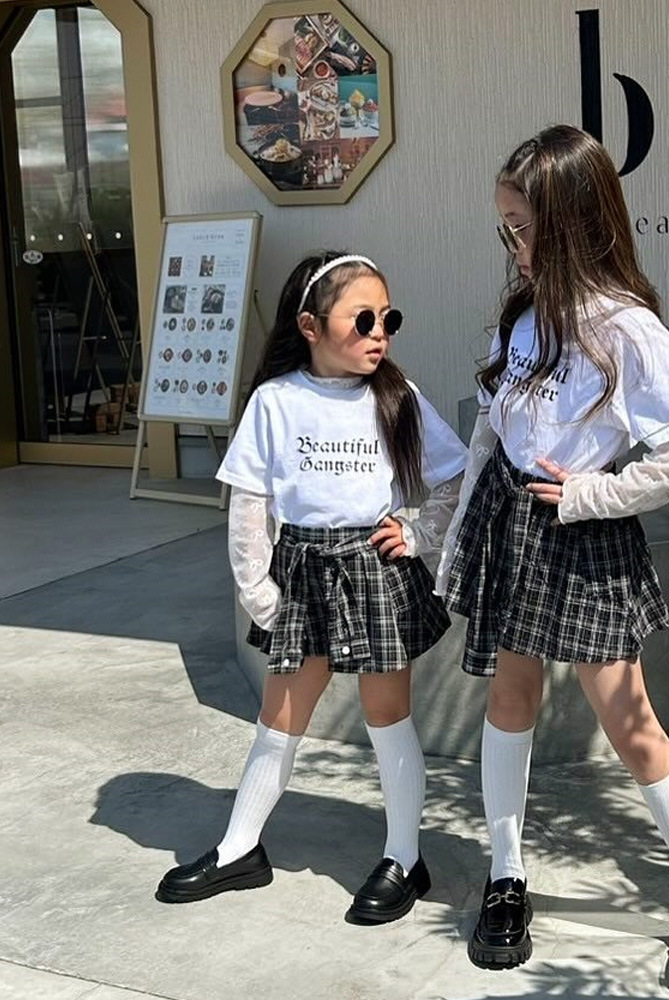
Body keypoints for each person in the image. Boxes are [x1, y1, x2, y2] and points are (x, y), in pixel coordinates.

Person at [438, 126, 669, 995]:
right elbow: (490, 432)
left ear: (572, 223)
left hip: (580, 533)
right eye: (505, 228)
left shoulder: (624, 327)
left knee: (629, 719)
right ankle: (506, 877)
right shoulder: (525, 316)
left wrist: (596, 493)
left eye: (522, 227)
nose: (512, 244)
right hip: (511, 527)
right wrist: (454, 534)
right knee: (509, 699)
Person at [156, 252, 466, 926]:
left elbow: (455, 474)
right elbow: (249, 505)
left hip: (373, 571)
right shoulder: (276, 401)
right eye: (362, 320)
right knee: (280, 718)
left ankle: (404, 858)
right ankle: (240, 848)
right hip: (301, 572)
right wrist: (258, 591)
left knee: (389, 717)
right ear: (310, 325)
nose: (379, 334)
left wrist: (418, 533)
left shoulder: (397, 397)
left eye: (388, 319)